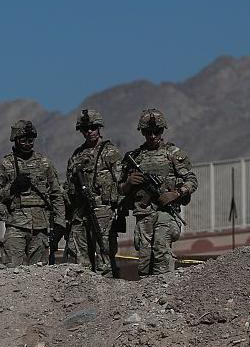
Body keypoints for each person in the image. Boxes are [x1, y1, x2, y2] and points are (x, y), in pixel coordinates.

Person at [118, 108, 197, 276]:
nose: (152, 136)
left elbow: (192, 180)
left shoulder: (173, 154)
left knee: (161, 248)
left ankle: (164, 288)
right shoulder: (135, 157)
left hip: (166, 212)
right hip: (144, 214)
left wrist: (176, 193)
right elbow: (118, 189)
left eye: (157, 131)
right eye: (148, 132)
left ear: (162, 131)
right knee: (144, 257)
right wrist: (129, 183)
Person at [0, 120, 66, 267]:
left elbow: (56, 195)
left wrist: (60, 223)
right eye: (23, 140)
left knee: (40, 274)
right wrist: (11, 189)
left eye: (31, 140)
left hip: (40, 229)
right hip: (15, 225)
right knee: (11, 271)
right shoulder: (5, 165)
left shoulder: (44, 164)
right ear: (15, 140)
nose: (27, 144)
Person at [64, 109, 123, 276]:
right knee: (80, 261)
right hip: (79, 212)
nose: (89, 131)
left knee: (104, 257)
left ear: (99, 128)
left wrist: (119, 207)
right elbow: (68, 185)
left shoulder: (109, 152)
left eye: (93, 127)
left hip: (102, 211)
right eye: (85, 129)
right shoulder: (77, 155)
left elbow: (121, 182)